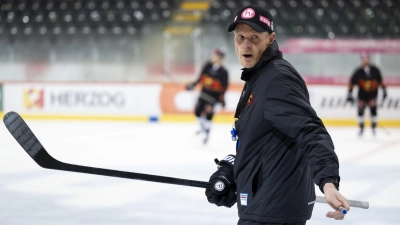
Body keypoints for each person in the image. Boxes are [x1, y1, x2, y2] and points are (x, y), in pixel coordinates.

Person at [204, 5, 349, 225]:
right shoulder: (259, 77)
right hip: (265, 206)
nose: (246, 44)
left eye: (254, 37)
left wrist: (328, 182)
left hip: (272, 213)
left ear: (270, 39)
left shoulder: (276, 80)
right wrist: (234, 171)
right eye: (240, 37)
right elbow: (263, 141)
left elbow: (311, 131)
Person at [186, 48, 229, 144]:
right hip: (203, 93)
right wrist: (192, 85)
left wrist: (222, 99)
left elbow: (224, 88)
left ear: (220, 57)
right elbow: (200, 78)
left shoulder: (224, 72)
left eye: (214, 55)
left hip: (213, 98)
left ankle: (206, 134)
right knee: (197, 111)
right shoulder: (207, 66)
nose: (212, 57)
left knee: (209, 114)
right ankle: (203, 128)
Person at [347, 51, 387, 136]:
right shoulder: (358, 71)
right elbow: (352, 83)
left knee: (373, 109)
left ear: (369, 59)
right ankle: (361, 128)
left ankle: (373, 128)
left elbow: (381, 82)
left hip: (373, 94)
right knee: (361, 110)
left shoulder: (375, 70)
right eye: (364, 59)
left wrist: (384, 91)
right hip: (362, 95)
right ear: (362, 60)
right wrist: (349, 93)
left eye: (367, 58)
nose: (365, 60)